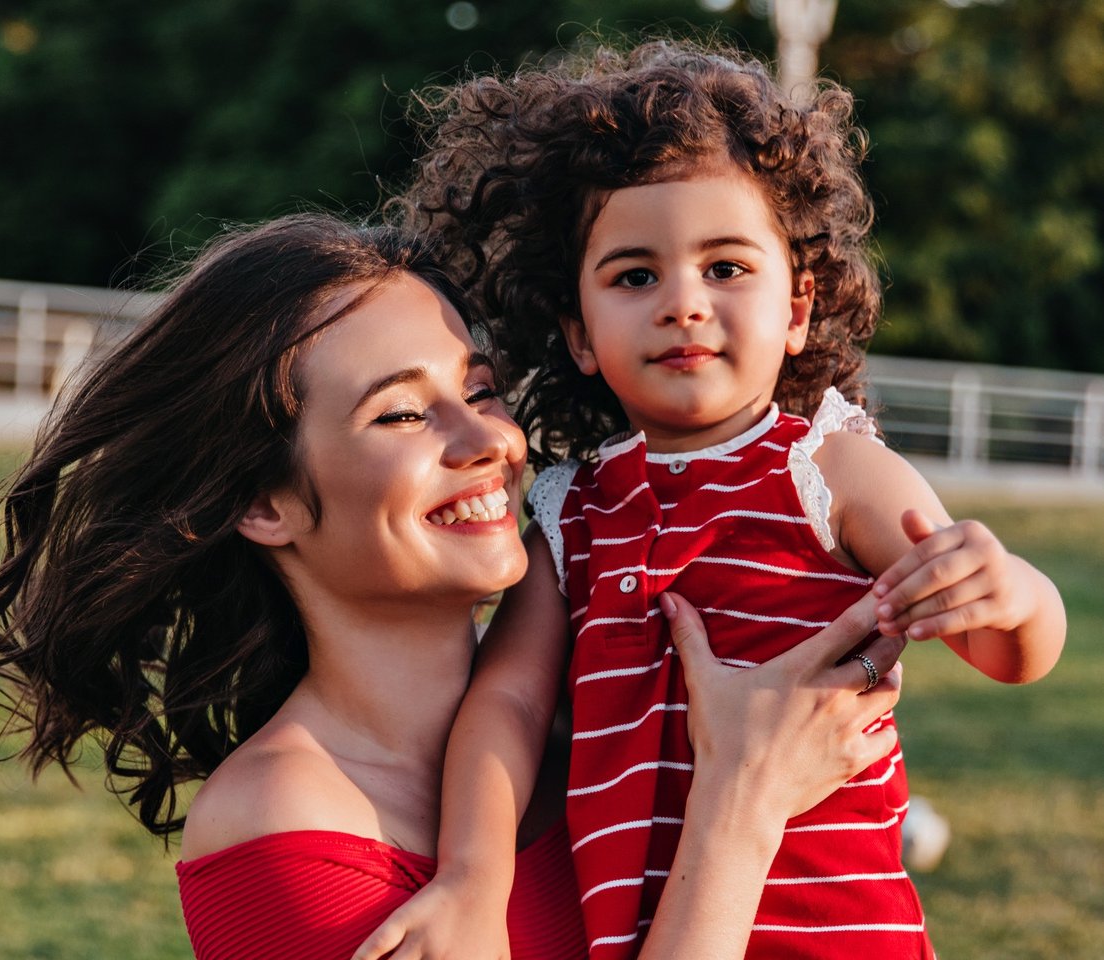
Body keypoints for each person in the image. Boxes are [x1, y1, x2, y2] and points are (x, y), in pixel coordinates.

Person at [0, 211, 909, 960]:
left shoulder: (603, 723)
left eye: (482, 390)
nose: (487, 439)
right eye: (404, 414)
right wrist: (738, 813)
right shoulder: (283, 826)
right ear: (263, 502)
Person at [361, 38, 1068, 959]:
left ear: (797, 310)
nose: (683, 302)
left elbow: (1005, 651)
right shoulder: (571, 517)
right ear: (580, 335)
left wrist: (1013, 594)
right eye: (635, 276)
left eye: (726, 268)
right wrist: (472, 877)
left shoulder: (832, 471)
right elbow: (508, 710)